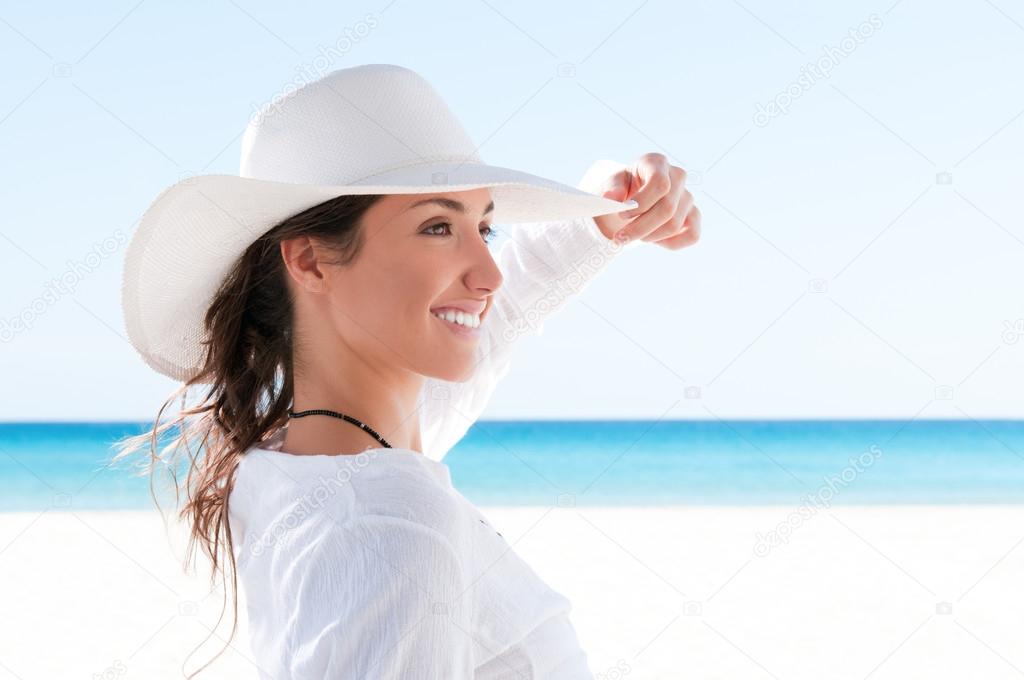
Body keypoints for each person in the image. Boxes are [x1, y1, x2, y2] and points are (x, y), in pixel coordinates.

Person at [114, 63, 700, 679]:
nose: (490, 272)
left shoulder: (301, 460)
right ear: (311, 260)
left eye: (485, 226)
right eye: (438, 227)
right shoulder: (392, 521)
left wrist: (601, 219)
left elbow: (506, 315)